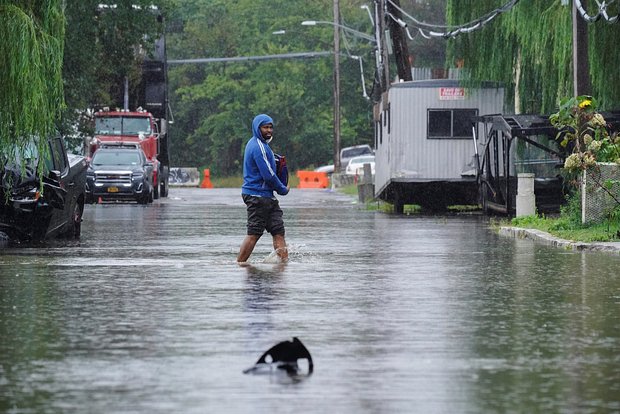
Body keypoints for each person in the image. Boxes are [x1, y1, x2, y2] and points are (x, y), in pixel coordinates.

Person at [237, 114, 290, 263]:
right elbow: (268, 175)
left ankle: (284, 267)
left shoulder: (264, 146)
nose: (269, 130)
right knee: (254, 233)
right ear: (257, 128)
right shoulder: (258, 146)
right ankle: (239, 265)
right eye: (265, 127)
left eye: (270, 127)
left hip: (267, 196)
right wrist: (282, 189)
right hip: (257, 196)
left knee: (278, 232)